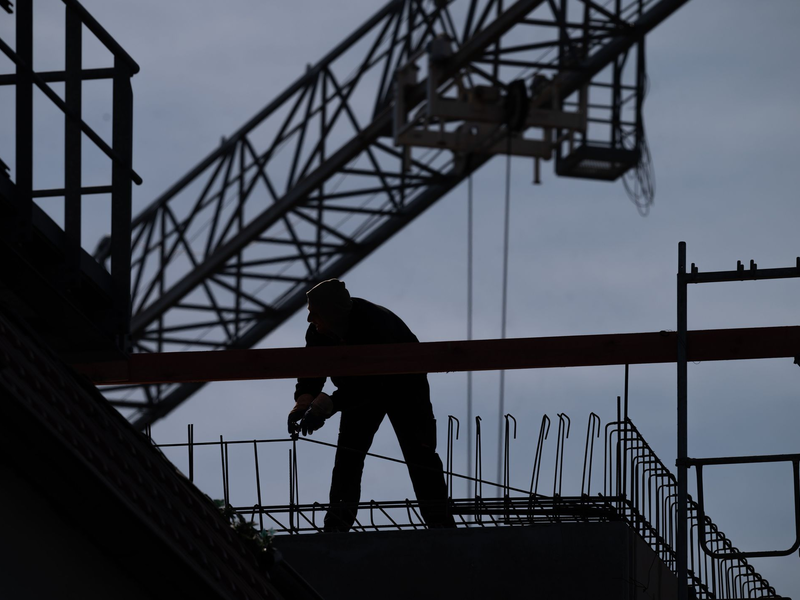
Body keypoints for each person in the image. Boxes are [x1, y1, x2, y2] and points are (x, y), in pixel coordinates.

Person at [288, 279, 456, 532]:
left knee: (419, 454)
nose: (310, 318)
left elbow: (377, 383)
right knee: (348, 457)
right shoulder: (319, 331)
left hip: (405, 387)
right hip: (355, 388)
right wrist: (303, 402)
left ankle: (440, 524)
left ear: (332, 312)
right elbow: (313, 370)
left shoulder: (376, 324)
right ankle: (337, 526)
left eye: (315, 312)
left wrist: (329, 404)